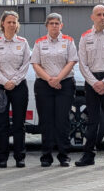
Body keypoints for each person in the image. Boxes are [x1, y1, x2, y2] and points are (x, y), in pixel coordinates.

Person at [75, 4, 104, 168]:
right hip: (91, 81)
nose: (102, 17)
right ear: (92, 17)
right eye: (99, 14)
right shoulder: (85, 37)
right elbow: (82, 64)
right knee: (92, 121)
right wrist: (94, 82)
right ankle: (88, 155)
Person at [30, 13, 79, 167]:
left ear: (61, 25)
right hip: (44, 85)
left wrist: (58, 79)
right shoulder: (39, 42)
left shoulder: (69, 41)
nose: (54, 26)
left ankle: (64, 155)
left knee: (62, 120)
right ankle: (46, 156)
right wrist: (50, 80)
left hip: (64, 84)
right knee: (46, 121)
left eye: (57, 23)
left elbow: (71, 61)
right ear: (46, 26)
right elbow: (35, 64)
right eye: (51, 23)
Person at [0, 11, 31, 168]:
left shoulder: (23, 42)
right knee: (1, 125)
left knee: (19, 124)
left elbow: (25, 64)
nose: (12, 25)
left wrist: (14, 81)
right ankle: (2, 158)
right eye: (9, 22)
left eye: (14, 22)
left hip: (19, 87)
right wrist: (5, 81)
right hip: (0, 87)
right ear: (3, 23)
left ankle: (20, 157)